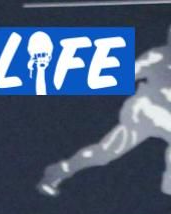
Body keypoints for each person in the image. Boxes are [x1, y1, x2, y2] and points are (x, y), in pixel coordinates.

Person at [39, 28, 171, 196]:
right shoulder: (158, 55)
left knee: (105, 152)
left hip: (165, 115)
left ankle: (169, 186)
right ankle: (60, 171)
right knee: (106, 152)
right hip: (146, 110)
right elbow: (129, 73)